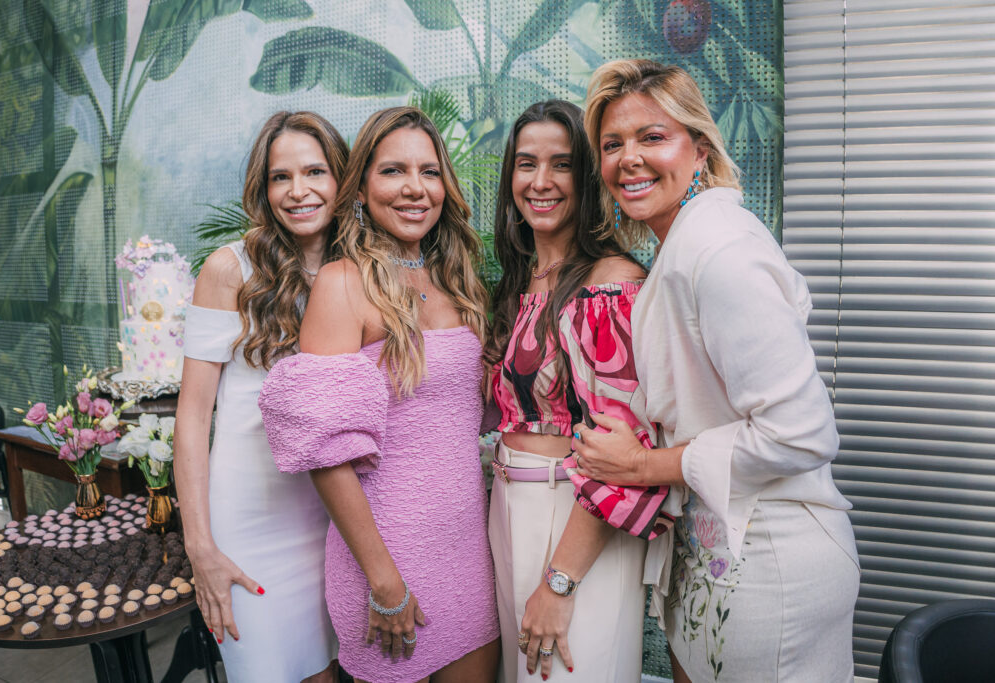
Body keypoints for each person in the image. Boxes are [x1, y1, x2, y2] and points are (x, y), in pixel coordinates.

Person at [576, 60, 861, 682]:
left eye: (653, 137)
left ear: (699, 149)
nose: (629, 158)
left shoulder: (721, 252)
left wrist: (640, 466)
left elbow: (800, 432)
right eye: (612, 144)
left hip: (771, 562)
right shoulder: (682, 245)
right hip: (717, 551)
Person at [257, 106, 500, 683]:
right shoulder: (344, 283)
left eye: (429, 171)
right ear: (361, 188)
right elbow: (326, 454)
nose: (415, 188)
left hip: (467, 553)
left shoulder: (460, 280)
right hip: (383, 561)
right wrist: (384, 580)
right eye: (393, 171)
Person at [484, 100, 677, 682]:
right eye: (525, 164)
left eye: (561, 165)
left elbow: (624, 452)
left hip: (576, 520)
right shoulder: (516, 283)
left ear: (588, 178)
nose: (540, 182)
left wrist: (559, 581)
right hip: (508, 506)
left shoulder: (613, 285)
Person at [174, 111, 348, 683]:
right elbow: (194, 417)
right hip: (249, 525)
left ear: (341, 178)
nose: (298, 191)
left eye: (315, 171)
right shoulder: (231, 268)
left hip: (337, 517)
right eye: (281, 177)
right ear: (263, 186)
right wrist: (201, 548)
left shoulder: (361, 271)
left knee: (328, 674)